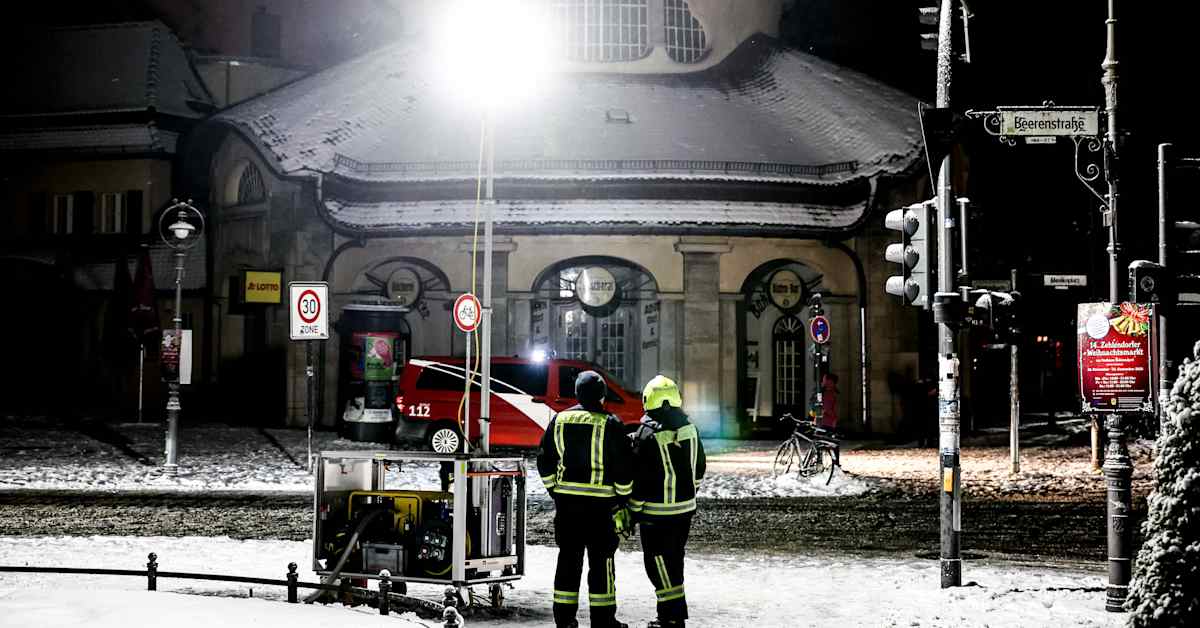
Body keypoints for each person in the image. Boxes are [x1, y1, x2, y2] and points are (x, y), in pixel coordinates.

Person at [538, 370, 634, 628]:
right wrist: (623, 499)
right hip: (601, 509)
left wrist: (554, 491)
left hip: (568, 508)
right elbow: (623, 469)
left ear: (577, 393)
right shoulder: (610, 423)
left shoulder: (559, 420)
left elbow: (545, 461)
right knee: (602, 565)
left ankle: (565, 620)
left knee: (568, 562)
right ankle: (603, 621)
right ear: (602, 396)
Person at [629, 375, 706, 628]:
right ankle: (670, 616)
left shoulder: (646, 433)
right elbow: (699, 468)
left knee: (657, 563)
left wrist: (634, 510)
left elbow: (639, 477)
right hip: (684, 510)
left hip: (655, 513)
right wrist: (689, 491)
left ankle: (672, 617)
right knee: (674, 560)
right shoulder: (690, 429)